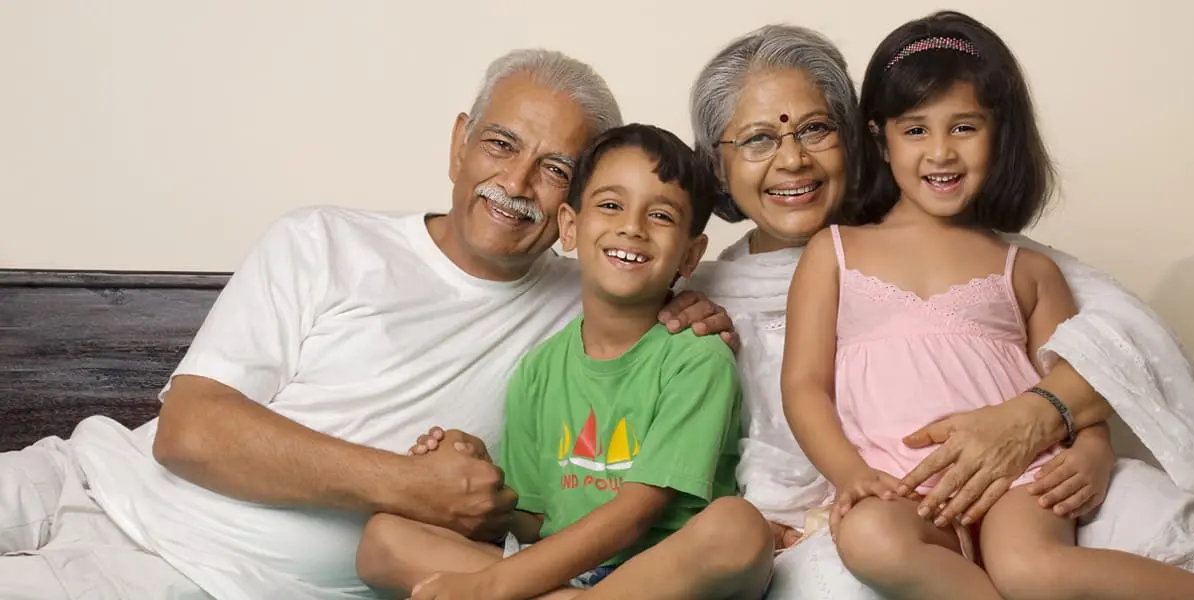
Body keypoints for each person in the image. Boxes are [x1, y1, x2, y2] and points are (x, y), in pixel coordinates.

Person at [0, 49, 742, 600]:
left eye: (554, 168)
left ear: (570, 211)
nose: (515, 185)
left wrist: (698, 302)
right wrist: (412, 485)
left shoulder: (584, 300)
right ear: (459, 142)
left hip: (201, 576)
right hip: (88, 479)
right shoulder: (322, 239)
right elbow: (189, 432)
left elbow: (654, 250)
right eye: (501, 144)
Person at [683, 17, 1194, 600]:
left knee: (1031, 568)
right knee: (871, 536)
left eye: (815, 129)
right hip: (899, 489)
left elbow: (1105, 364)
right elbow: (802, 386)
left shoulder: (1026, 266)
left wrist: (1093, 451)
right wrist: (853, 477)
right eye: (759, 138)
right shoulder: (810, 264)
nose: (792, 158)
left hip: (1020, 480)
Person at [355, 123, 773, 600]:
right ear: (570, 227)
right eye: (611, 206)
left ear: (690, 255)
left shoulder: (697, 358)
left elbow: (636, 512)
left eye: (660, 215)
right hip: (565, 581)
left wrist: (492, 586)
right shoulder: (539, 370)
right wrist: (480, 481)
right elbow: (535, 521)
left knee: (738, 528)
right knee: (383, 539)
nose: (632, 227)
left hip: (661, 581)